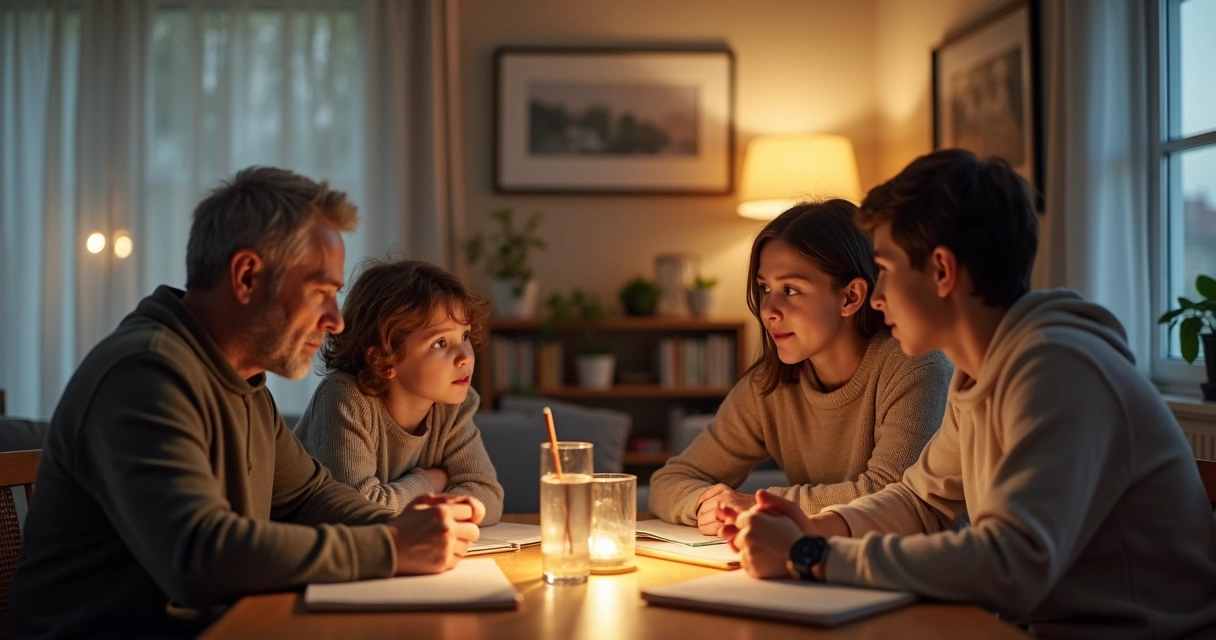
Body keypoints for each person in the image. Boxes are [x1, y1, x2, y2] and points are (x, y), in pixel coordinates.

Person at [723, 150, 1216, 639]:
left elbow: (1013, 565)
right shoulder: (982, 373)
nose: (876, 296)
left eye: (887, 270)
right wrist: (814, 530)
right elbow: (922, 502)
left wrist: (810, 556)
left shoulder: (1057, 370)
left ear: (941, 271)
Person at [6, 168, 483, 639]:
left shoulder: (242, 381)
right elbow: (199, 554)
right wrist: (392, 544)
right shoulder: (144, 375)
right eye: (320, 292)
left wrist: (413, 529)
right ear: (247, 276)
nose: (336, 321)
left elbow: (307, 495)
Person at [648, 199, 953, 535]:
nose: (768, 310)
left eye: (790, 290)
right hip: (815, 566)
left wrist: (761, 504)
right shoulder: (771, 384)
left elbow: (890, 497)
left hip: (913, 571)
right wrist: (703, 503)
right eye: (765, 288)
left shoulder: (916, 368)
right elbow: (669, 480)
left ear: (851, 297)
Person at [293, 258, 504, 523]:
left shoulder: (454, 405)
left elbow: (488, 496)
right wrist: (428, 481)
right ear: (382, 360)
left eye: (464, 336)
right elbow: (356, 510)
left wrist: (432, 513)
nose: (466, 357)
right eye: (440, 343)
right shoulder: (344, 397)